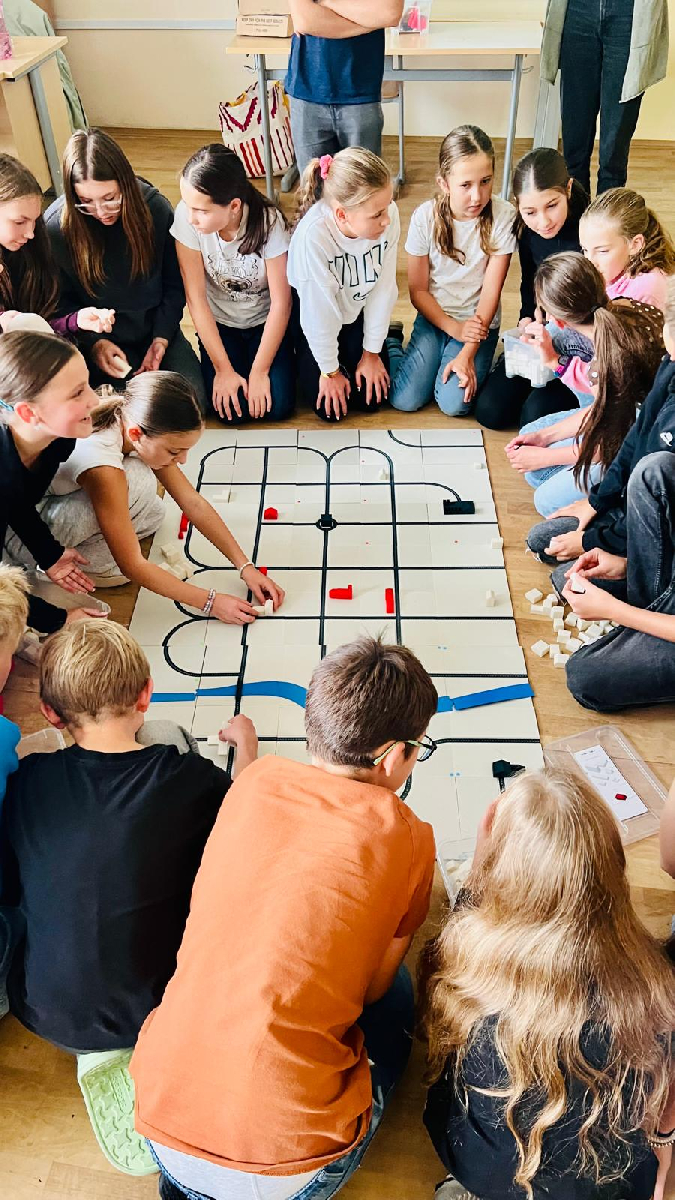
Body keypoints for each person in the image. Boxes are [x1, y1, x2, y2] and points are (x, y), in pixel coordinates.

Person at [130, 636, 437, 1200]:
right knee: (396, 994)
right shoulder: (411, 836)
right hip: (293, 1163)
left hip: (158, 1119)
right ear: (394, 756)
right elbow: (370, 992)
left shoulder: (255, 780)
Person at [0, 620, 258, 1053]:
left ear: (50, 713)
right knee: (165, 737)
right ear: (145, 694)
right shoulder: (186, 776)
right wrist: (247, 746)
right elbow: (249, 815)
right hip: (159, 1014)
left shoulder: (27, 780)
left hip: (46, 1016)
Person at [420, 769, 675, 1200]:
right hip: (604, 1186)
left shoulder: (464, 956)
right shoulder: (655, 983)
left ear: (501, 874)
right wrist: (664, 1146)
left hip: (482, 1168)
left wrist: (479, 871)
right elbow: (666, 1104)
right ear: (613, 865)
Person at [25, 373, 284, 623]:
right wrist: (211, 602)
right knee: (136, 489)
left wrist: (245, 567)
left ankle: (101, 544)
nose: (183, 460)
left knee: (154, 510)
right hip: (28, 534)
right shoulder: (103, 465)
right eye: (175, 451)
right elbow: (132, 565)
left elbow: (192, 502)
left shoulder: (134, 420)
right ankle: (50, 568)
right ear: (136, 435)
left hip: (61, 504)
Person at [527, 275, 675, 578]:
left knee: (563, 577)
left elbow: (615, 445)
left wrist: (592, 541)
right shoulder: (669, 364)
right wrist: (595, 503)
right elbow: (635, 435)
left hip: (658, 523)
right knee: (542, 539)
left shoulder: (613, 361)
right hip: (632, 497)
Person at [44, 129, 205, 405]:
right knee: (104, 410)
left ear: (126, 185)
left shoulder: (155, 209)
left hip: (154, 333)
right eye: (86, 202)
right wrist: (94, 344)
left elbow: (174, 286)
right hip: (94, 345)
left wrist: (161, 339)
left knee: (192, 402)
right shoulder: (56, 228)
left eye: (110, 198)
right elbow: (59, 306)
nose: (100, 212)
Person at [505, 253, 664, 516]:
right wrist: (544, 437)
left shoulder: (603, 366)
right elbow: (604, 410)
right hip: (633, 418)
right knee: (535, 461)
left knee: (545, 500)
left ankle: (622, 505)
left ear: (558, 322)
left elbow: (611, 442)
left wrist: (545, 456)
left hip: (644, 444)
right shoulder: (627, 305)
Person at [388, 126, 515, 418]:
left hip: (478, 325)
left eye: (486, 181)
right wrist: (452, 327)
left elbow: (491, 293)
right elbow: (418, 291)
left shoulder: (504, 216)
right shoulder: (424, 218)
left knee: (454, 404)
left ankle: (482, 361)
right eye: (465, 185)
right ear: (444, 183)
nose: (477, 196)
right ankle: (393, 343)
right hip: (435, 318)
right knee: (404, 399)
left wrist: (467, 351)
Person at [172, 144, 294, 423]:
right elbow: (196, 300)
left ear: (234, 206)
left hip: (264, 321)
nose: (191, 218)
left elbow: (282, 303)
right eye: (188, 206)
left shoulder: (269, 222)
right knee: (231, 412)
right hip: (221, 324)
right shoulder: (187, 220)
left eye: (201, 210)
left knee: (278, 406)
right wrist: (223, 370)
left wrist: (260, 371)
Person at [0, 330, 110, 634]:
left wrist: (49, 554)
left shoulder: (59, 438)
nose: (93, 400)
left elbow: (17, 499)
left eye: (88, 385)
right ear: (28, 412)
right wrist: (59, 619)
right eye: (77, 393)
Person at [476, 147, 590, 430]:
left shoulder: (590, 230)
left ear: (568, 189)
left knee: (534, 416)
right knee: (490, 412)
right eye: (530, 212)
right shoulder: (526, 230)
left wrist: (565, 330)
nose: (543, 221)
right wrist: (527, 318)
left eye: (552, 206)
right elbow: (530, 282)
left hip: (582, 343)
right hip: (545, 333)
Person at [289, 148, 399, 422]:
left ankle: (390, 337)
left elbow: (383, 289)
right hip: (316, 317)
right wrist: (330, 371)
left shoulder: (388, 218)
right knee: (330, 411)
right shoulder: (313, 237)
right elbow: (318, 315)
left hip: (356, 309)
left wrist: (371, 353)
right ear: (341, 215)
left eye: (388, 206)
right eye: (377, 214)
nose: (387, 219)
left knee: (372, 400)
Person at [540, 0, 669, 196]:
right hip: (578, 10)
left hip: (628, 12)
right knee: (574, 139)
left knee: (614, 148)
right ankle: (577, 209)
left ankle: (607, 212)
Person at [0, 152, 113, 339]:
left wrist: (75, 321)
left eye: (35, 220)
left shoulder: (33, 249)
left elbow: (42, 325)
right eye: (20, 222)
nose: (30, 233)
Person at [286, 0, 403, 175]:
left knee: (363, 185)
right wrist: (368, 23)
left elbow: (389, 14)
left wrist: (325, 3)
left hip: (360, 90)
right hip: (307, 89)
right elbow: (305, 20)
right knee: (314, 187)